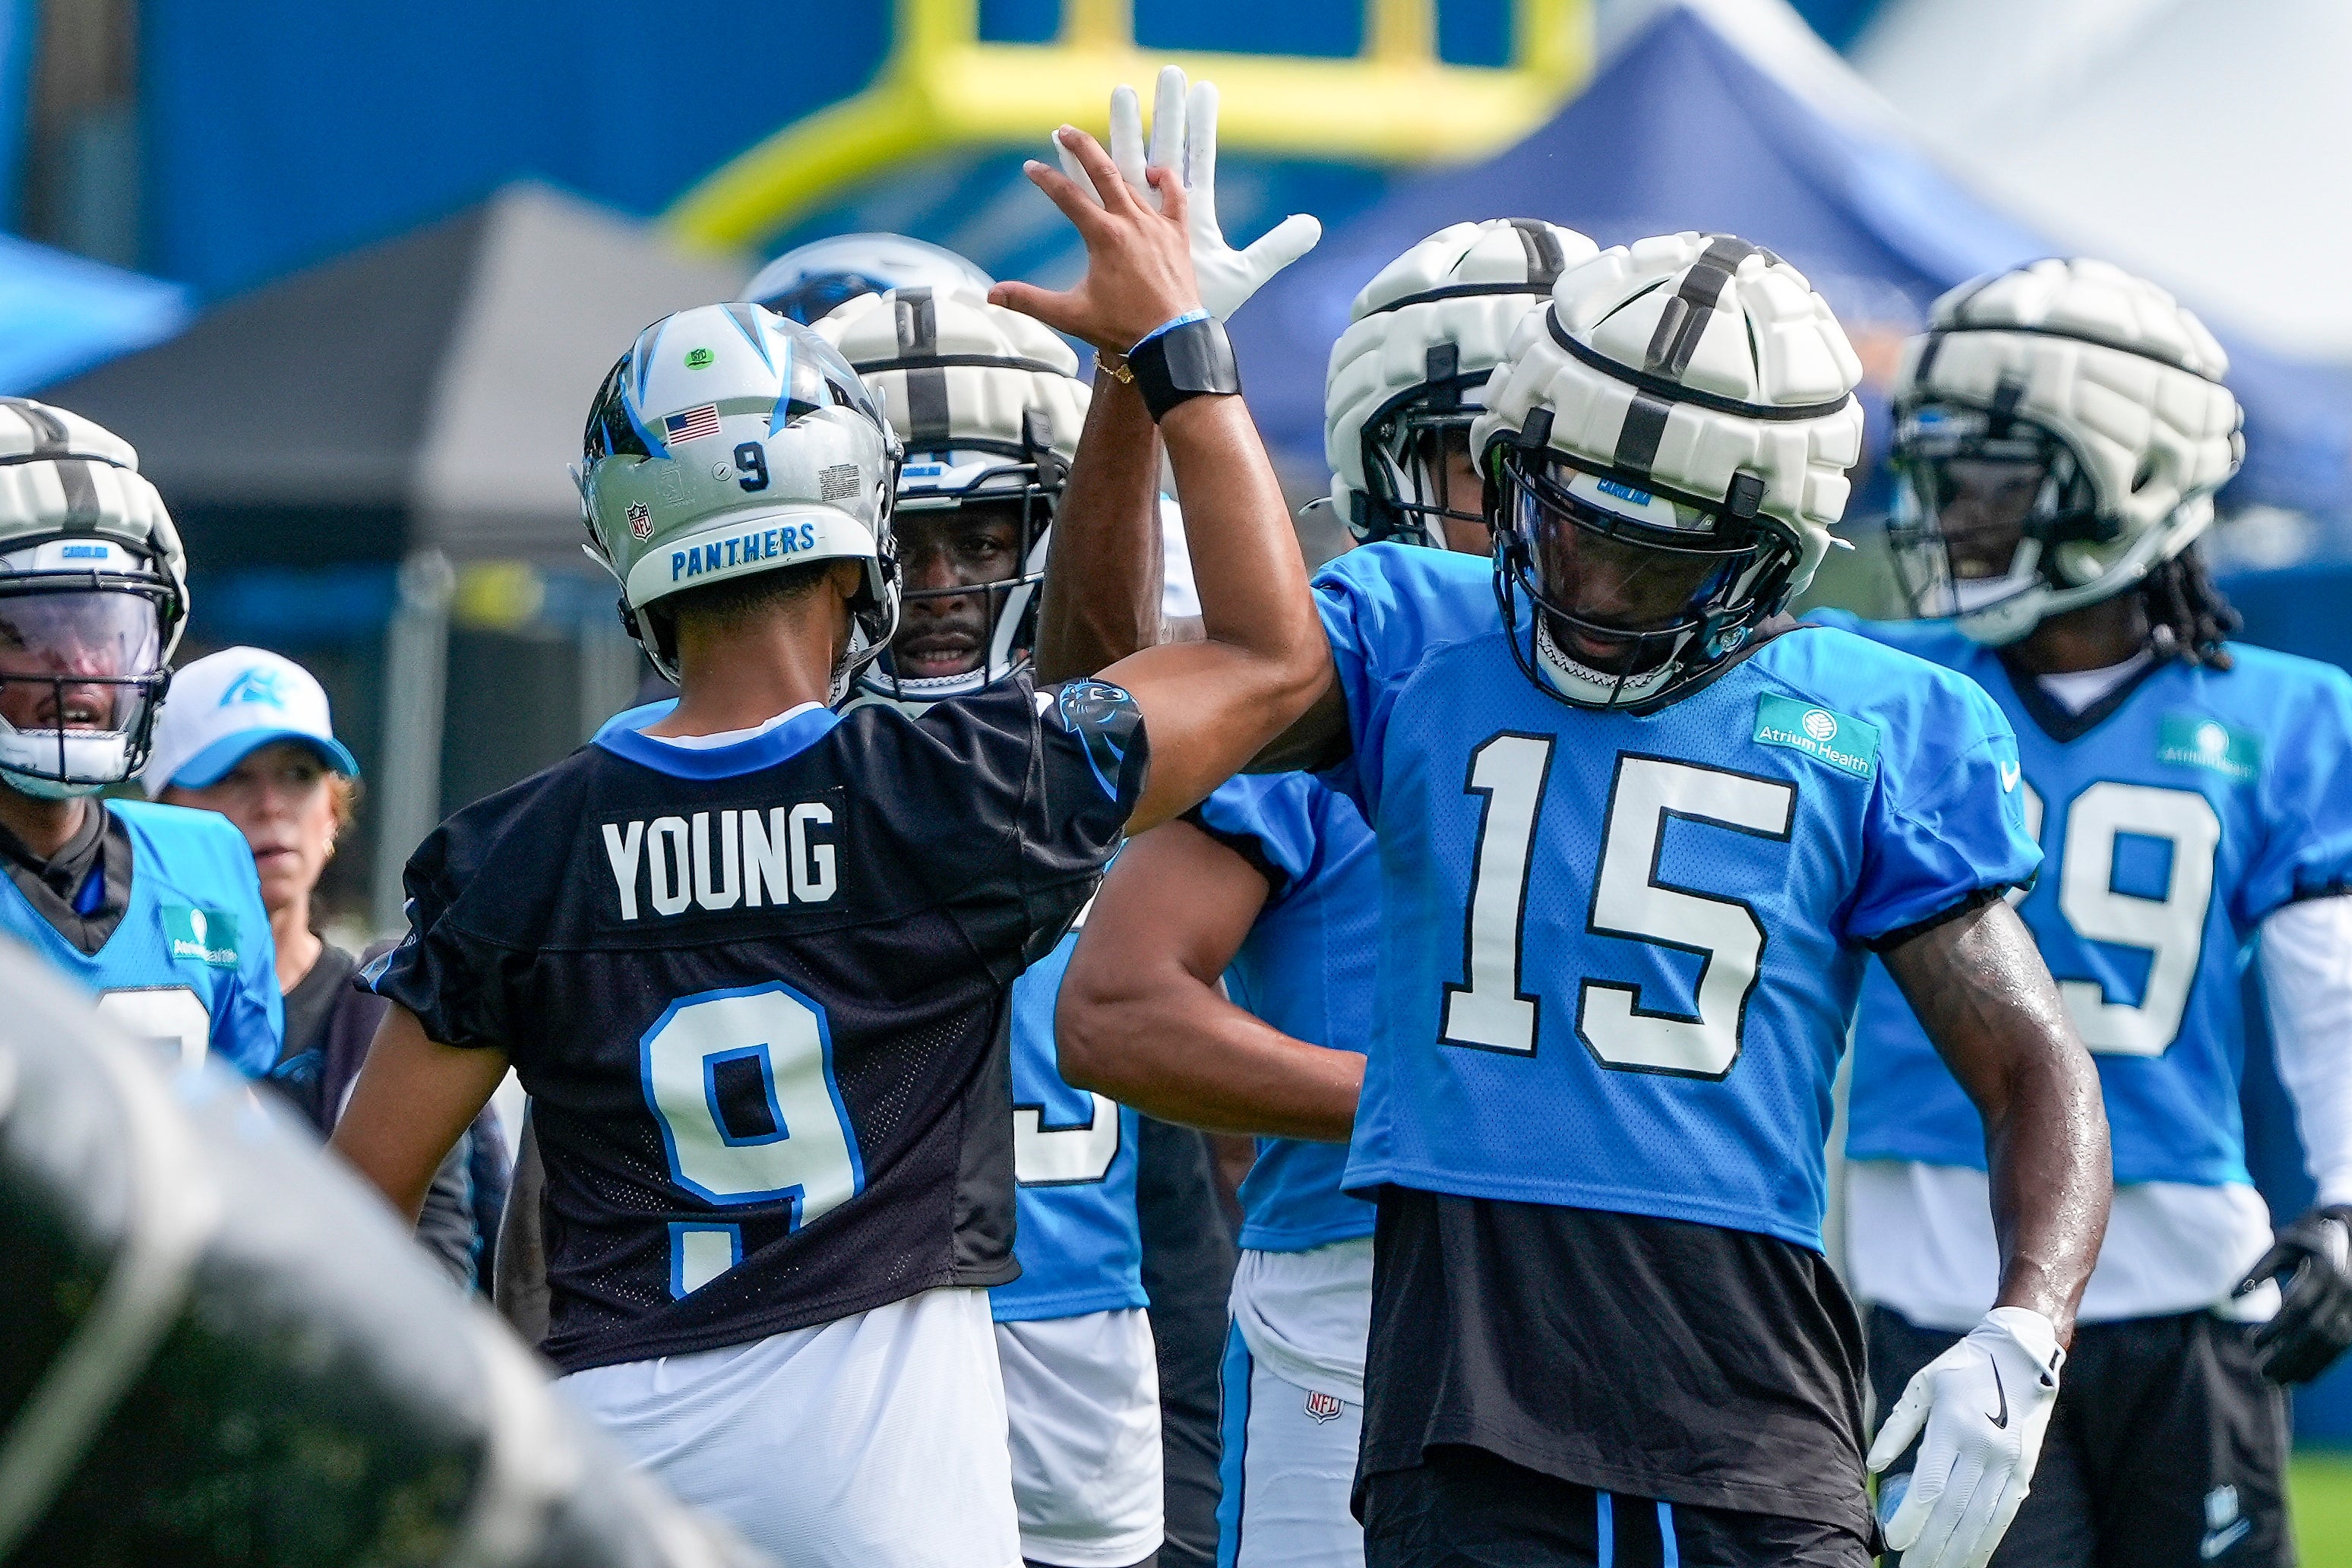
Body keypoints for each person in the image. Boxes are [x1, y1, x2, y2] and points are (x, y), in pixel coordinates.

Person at [328, 106, 1329, 1568]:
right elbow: (1269, 655)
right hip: (881, 1474)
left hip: (613, 1457)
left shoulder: (514, 854)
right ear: (861, 517)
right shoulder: (954, 793)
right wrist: (1172, 348)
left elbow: (361, 1202)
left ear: (628, 549)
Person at [1072, 232, 2113, 1568]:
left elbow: (2032, 1059)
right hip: (1467, 1405)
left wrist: (2028, 1326)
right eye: (1572, 521)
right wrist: (1159, 378)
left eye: (1668, 559)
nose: (1600, 591)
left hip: (1754, 1408)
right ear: (1514, 460)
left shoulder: (1881, 719)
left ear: (1775, 554)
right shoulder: (1414, 633)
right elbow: (1114, 709)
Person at [1059, 217, 1598, 1568]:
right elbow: (1118, 1002)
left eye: (1565, 456)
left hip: (1642, 1286)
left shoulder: (1730, 692)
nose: (1529, 499)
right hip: (1363, 1284)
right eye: (1480, 454)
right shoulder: (1354, 682)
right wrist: (1417, 1098)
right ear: (1387, 462)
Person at [1824, 257, 2352, 1568]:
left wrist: (2347, 1197)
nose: (1951, 508)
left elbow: (2327, 990)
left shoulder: (2288, 714)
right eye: (1940, 469)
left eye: (1998, 472)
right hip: (1938, 1267)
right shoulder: (1883, 688)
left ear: (2130, 481)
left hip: (2190, 1278)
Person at [143, 643, 507, 1288]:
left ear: (333, 815)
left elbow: (438, 1270)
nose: (271, 806)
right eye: (233, 776)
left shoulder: (390, 1006)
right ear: (161, 814)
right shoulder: (116, 997)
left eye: (299, 775)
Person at [0, 397, 280, 1076]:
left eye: (107, 630)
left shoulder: (206, 860)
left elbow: (242, 1123)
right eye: (36, 630)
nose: (87, 666)